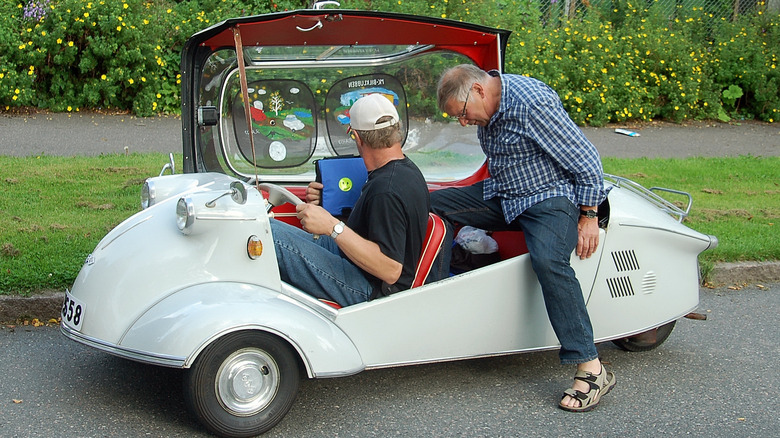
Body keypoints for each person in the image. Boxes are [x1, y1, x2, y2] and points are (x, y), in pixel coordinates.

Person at [432, 64, 614, 412]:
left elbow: (585, 157)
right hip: (506, 194)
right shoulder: (486, 107)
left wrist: (589, 215)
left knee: (549, 261)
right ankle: (437, 295)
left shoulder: (530, 103)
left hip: (549, 198)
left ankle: (591, 367)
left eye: (464, 115)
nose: (464, 123)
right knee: (430, 204)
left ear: (479, 91)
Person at [270, 93, 430, 308]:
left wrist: (332, 227)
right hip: (355, 263)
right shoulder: (404, 171)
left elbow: (390, 270)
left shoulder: (386, 190)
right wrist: (325, 206)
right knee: (266, 227)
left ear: (356, 136)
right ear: (396, 129)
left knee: (270, 240)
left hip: (371, 289)